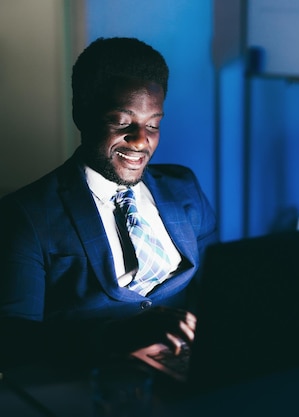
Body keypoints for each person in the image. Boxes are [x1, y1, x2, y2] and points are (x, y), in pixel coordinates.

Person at [0, 37, 218, 370]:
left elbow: (219, 290)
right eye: (121, 123)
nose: (141, 140)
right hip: (86, 386)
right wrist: (117, 336)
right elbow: (13, 343)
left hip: (185, 373)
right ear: (81, 113)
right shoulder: (25, 215)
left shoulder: (184, 188)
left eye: (153, 124)